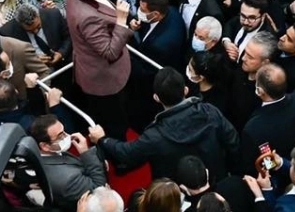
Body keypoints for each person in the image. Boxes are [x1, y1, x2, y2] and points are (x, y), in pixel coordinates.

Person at [97, 67, 239, 180]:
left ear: (156, 98)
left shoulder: (154, 135)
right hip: (215, 178)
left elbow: (127, 153)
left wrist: (103, 139)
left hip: (174, 193)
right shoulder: (210, 111)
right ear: (185, 90)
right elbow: (233, 141)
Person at [64, 0, 132, 140]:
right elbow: (110, 52)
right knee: (113, 122)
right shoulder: (87, 17)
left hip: (91, 66)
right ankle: (120, 157)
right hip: (105, 78)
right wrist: (121, 21)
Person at [30, 114, 107, 211]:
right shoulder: (66, 180)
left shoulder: (51, 151)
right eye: (60, 135)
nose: (67, 136)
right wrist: (86, 153)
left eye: (64, 131)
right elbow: (99, 189)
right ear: (45, 146)